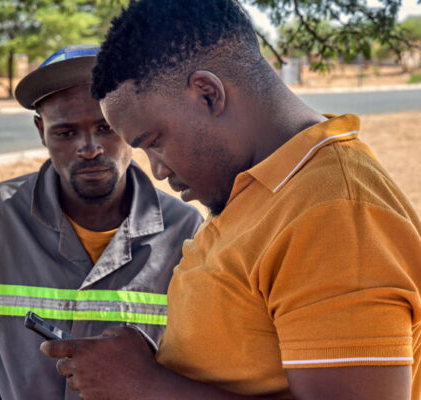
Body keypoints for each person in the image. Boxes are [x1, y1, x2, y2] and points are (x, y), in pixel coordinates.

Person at [40, 2, 421, 399]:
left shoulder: (336, 214)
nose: (157, 170)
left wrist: (145, 385)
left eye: (154, 142)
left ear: (207, 94)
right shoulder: (261, 187)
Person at [0, 44, 203, 400]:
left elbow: (197, 366)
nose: (90, 147)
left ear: (133, 124)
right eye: (66, 133)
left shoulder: (185, 233)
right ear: (41, 131)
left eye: (106, 127)